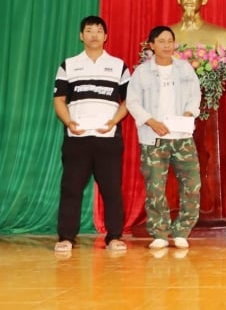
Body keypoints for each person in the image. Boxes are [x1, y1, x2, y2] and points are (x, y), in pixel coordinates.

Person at [53, 15, 130, 253]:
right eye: (89, 30)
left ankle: (114, 236)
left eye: (99, 30)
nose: (94, 34)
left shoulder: (118, 65)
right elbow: (59, 100)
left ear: (106, 36)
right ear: (81, 35)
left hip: (108, 138)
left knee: (111, 189)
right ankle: (66, 237)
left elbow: (129, 100)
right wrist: (69, 122)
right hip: (77, 138)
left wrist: (113, 122)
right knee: (71, 188)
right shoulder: (69, 65)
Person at [127, 26, 202, 249]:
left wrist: (189, 113)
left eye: (170, 41)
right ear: (152, 45)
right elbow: (132, 101)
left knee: (192, 185)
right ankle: (159, 233)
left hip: (182, 136)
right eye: (161, 41)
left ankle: (182, 231)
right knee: (155, 187)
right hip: (154, 137)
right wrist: (151, 121)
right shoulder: (142, 72)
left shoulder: (185, 69)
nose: (167, 45)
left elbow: (195, 95)